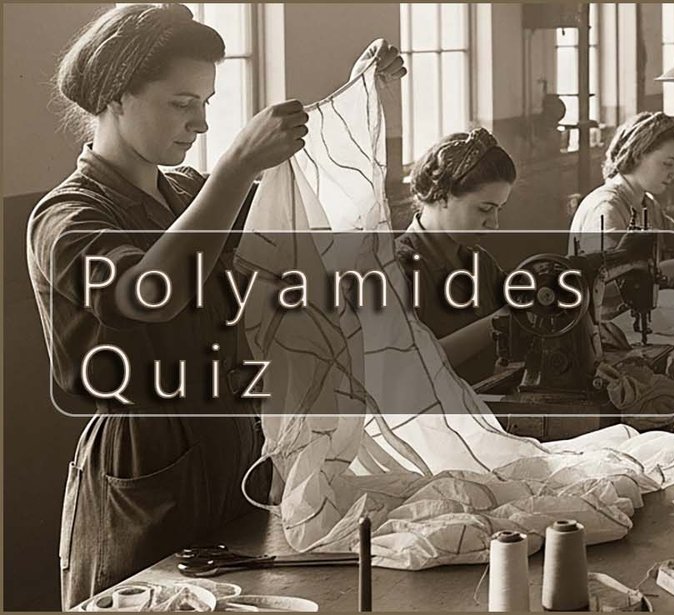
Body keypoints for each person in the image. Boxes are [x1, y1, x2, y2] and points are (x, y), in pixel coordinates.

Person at [27, 5, 404, 607]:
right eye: (182, 104)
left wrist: (360, 99)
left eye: (206, 103)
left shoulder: (187, 193)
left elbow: (297, 225)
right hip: (147, 460)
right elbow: (145, 294)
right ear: (116, 96)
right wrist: (233, 168)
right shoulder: (67, 216)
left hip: (231, 445)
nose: (200, 123)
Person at [572, 112, 674, 318]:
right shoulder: (606, 207)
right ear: (637, 154)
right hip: (605, 323)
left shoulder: (646, 203)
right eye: (667, 164)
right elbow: (613, 282)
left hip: (635, 315)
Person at [394, 129, 516, 384]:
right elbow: (411, 368)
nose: (494, 224)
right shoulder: (396, 269)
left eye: (499, 210)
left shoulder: (479, 263)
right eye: (485, 209)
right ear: (442, 195)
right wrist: (498, 321)